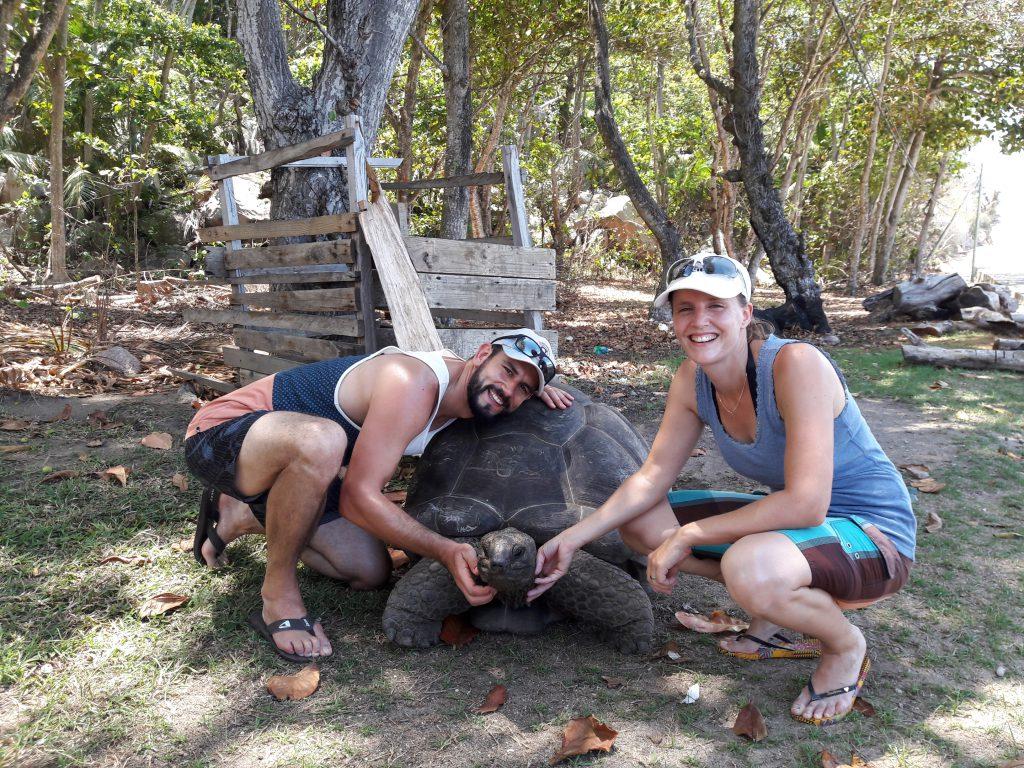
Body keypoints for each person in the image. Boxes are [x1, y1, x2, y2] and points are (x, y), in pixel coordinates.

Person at [529, 254, 916, 727]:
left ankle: (844, 644)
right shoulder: (693, 380)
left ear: (746, 312)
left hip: (873, 537)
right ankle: (777, 612)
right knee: (642, 522)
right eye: (684, 308)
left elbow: (807, 503)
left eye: (716, 305)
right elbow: (651, 477)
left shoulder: (796, 364)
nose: (699, 321)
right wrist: (571, 538)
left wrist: (690, 534)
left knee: (747, 565)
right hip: (803, 531)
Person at [183, 329, 572, 663]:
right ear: (483, 353)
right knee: (323, 439)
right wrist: (445, 549)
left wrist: (537, 389)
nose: (508, 390)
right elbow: (357, 497)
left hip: (309, 472)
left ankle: (241, 512)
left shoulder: (470, 397)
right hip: (225, 435)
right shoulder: (412, 381)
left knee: (369, 572)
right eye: (507, 370)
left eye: (524, 387)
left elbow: (499, 387)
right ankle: (278, 594)